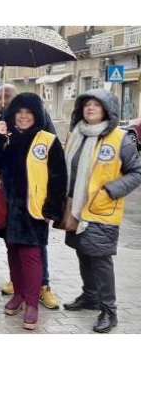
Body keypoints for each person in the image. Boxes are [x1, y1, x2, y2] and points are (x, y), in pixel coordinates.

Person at [61, 89, 141, 333]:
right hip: (76, 206)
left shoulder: (120, 138)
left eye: (97, 104)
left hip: (102, 208)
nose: (91, 108)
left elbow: (136, 172)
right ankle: (90, 296)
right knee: (83, 253)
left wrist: (110, 191)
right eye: (87, 104)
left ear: (108, 109)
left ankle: (109, 311)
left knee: (100, 260)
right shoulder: (77, 134)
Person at [0, 92, 66, 330]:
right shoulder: (6, 136)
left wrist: (52, 208)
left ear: (36, 115)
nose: (22, 117)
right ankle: (19, 294)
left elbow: (59, 177)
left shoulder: (48, 140)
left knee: (31, 256)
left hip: (34, 210)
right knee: (13, 253)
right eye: (19, 112)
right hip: (8, 207)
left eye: (28, 113)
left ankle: (32, 303)